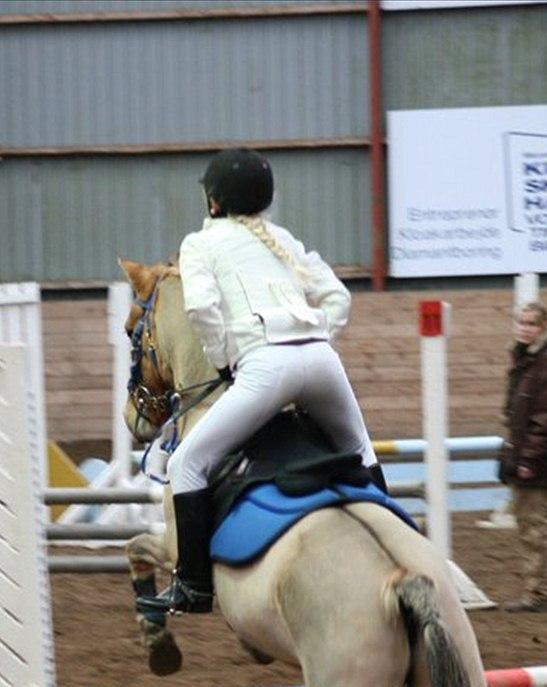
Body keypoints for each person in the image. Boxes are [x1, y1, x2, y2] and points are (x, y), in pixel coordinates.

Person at [137, 147, 384, 616]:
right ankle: (396, 544)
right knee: (362, 452)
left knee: (185, 464)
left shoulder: (200, 243)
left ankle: (192, 587)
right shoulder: (283, 239)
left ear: (213, 202)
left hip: (265, 367)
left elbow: (201, 309)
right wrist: (315, 335)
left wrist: (226, 361)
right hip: (322, 361)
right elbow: (338, 296)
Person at [498, 301, 547, 612]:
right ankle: (538, 590)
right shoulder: (528, 362)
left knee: (537, 528)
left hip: (540, 462)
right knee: (531, 527)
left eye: (532, 324)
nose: (525, 328)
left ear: (544, 328)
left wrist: (529, 459)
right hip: (531, 457)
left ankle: (542, 594)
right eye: (521, 322)